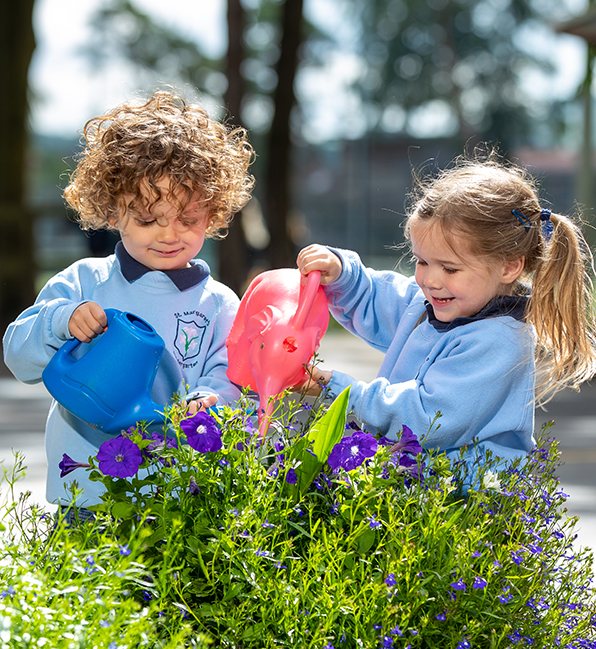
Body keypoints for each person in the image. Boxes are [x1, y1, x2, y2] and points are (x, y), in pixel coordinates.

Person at [3, 89, 254, 509]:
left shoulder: (220, 304)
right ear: (113, 211)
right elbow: (17, 356)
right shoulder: (84, 282)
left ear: (212, 214)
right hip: (87, 494)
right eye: (147, 219)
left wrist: (214, 400)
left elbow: (233, 378)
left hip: (180, 497)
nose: (169, 234)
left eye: (187, 219)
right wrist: (61, 322)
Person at [296, 155, 596, 477]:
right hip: (420, 490)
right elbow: (376, 299)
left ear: (509, 266)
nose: (430, 280)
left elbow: (425, 419)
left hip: (465, 509)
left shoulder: (499, 341)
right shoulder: (432, 303)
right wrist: (343, 275)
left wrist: (346, 392)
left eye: (450, 268)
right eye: (422, 261)